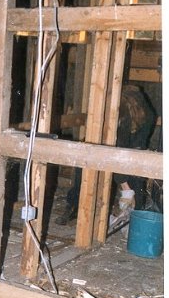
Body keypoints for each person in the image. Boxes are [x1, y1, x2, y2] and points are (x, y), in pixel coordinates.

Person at [56, 84, 156, 225]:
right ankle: (74, 205)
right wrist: (125, 188)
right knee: (83, 165)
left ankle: (135, 214)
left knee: (136, 169)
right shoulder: (119, 113)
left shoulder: (147, 115)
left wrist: (129, 190)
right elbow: (116, 150)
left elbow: (138, 146)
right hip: (102, 141)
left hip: (126, 144)